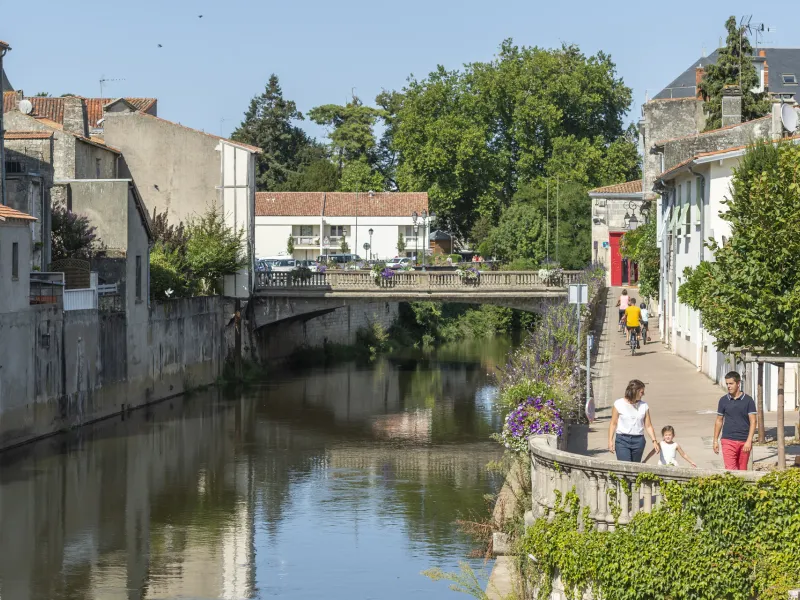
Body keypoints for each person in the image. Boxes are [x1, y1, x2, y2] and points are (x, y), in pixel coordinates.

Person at [713, 371, 757, 470]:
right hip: (728, 440)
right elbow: (719, 420)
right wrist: (715, 440)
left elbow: (753, 422)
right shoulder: (723, 400)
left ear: (738, 383)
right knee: (730, 471)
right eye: (727, 383)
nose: (728, 386)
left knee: (742, 470)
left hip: (744, 441)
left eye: (731, 383)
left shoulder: (748, 400)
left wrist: (749, 441)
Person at [608, 379, 660, 462]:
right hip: (622, 440)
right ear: (635, 391)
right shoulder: (618, 404)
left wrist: (654, 441)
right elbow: (613, 423)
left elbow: (648, 425)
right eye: (641, 392)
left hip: (638, 441)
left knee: (635, 467)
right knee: (625, 466)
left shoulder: (644, 406)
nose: (643, 394)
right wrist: (610, 441)